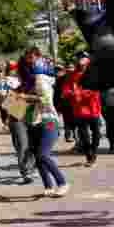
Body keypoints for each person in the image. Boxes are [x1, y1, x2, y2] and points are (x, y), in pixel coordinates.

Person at [19, 62, 69, 197]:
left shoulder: (41, 80)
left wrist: (27, 97)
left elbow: (45, 100)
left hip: (48, 122)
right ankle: (48, 186)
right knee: (38, 156)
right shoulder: (29, 82)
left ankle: (62, 182)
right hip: (34, 122)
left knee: (43, 154)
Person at [62, 51, 102, 165]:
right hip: (79, 110)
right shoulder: (72, 75)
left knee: (97, 134)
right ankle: (89, 155)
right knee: (84, 135)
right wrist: (68, 93)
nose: (81, 60)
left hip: (93, 108)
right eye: (79, 58)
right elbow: (65, 89)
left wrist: (78, 94)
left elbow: (94, 89)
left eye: (83, 58)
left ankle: (94, 151)